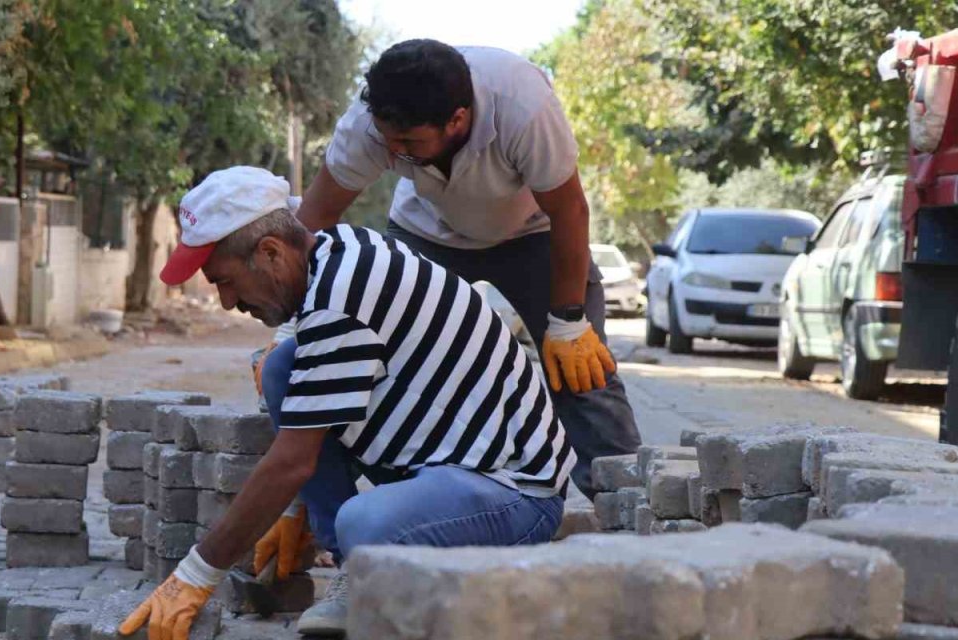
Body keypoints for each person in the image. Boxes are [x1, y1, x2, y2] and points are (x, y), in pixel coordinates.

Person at [119, 166, 572, 639]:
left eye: (225, 282)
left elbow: (292, 462)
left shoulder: (340, 301)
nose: (228, 302)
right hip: (446, 463)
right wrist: (301, 509)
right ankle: (350, 560)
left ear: (270, 252)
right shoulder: (336, 252)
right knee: (281, 368)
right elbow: (317, 404)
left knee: (365, 523)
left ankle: (361, 565)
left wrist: (196, 575)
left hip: (516, 493)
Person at [259, 39, 640, 502]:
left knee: (582, 372)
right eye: (388, 140)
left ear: (457, 120)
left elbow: (570, 211)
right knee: (378, 359)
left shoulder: (523, 106)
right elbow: (312, 223)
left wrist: (567, 320)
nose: (394, 151)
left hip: (533, 236)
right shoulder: (368, 127)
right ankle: (390, 509)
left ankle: (630, 509)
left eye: (409, 143)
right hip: (426, 233)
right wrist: (293, 327)